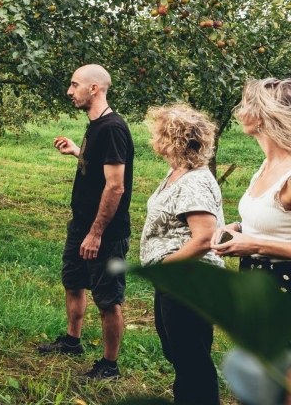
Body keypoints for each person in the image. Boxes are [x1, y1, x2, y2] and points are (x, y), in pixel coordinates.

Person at [37, 64, 133, 381]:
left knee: (107, 299)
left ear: (94, 89)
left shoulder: (113, 128)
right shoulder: (95, 126)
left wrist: (95, 233)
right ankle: (72, 341)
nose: (69, 90)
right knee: (73, 282)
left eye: (74, 84)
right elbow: (99, 168)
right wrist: (78, 153)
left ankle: (109, 365)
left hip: (104, 232)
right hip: (81, 226)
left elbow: (115, 185)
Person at [141, 104, 224, 405]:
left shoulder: (194, 182)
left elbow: (203, 239)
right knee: (180, 355)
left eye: (158, 134)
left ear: (172, 139)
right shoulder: (178, 172)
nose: (154, 140)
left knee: (192, 362)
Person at [212, 77, 291, 293]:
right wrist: (238, 228)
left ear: (263, 117)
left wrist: (254, 245)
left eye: (246, 105)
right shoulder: (267, 165)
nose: (238, 112)